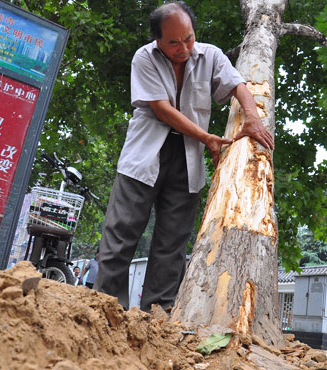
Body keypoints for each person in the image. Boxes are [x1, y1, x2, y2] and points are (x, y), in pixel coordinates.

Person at [94, 1, 274, 312]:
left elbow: (238, 86)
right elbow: (162, 110)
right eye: (174, 42)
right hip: (144, 155)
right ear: (158, 40)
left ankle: (158, 314)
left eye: (188, 38)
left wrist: (251, 117)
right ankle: (106, 306)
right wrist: (207, 139)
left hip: (188, 161)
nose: (183, 48)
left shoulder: (211, 55)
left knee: (172, 244)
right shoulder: (144, 58)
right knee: (120, 235)